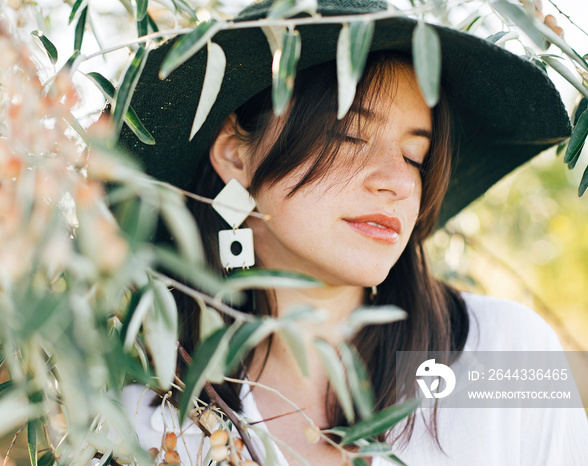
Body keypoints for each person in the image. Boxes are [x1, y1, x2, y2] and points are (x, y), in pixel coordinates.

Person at [112, 0, 588, 464]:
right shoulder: (148, 425)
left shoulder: (505, 354)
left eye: (415, 157)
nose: (399, 182)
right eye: (349, 137)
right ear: (237, 156)